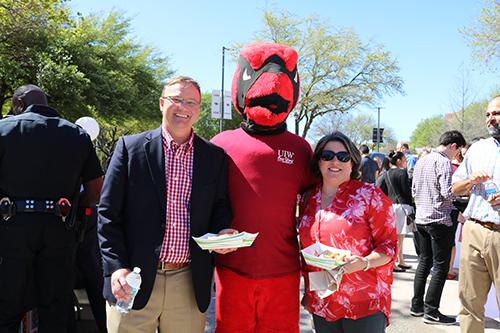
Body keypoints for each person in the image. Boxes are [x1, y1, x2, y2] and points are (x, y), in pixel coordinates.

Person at [98, 76, 235, 333]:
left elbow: (220, 206)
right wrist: (116, 267)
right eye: (176, 99)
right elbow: (107, 214)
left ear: (198, 110)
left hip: (188, 282)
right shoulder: (130, 148)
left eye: (191, 102)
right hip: (132, 279)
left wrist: (223, 231)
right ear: (162, 103)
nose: (183, 107)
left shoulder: (214, 157)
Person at [211, 42, 315, 333]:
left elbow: (317, 207)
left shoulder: (301, 149)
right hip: (232, 269)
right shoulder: (220, 145)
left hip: (283, 270)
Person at [0, 84, 103, 333]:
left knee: (5, 306)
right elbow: (95, 191)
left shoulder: (4, 129)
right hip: (59, 229)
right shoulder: (76, 134)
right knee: (56, 308)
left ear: (18, 105)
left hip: (10, 229)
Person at [298, 131, 397, 333]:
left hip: (364, 301)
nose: (335, 161)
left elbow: (389, 247)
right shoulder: (307, 198)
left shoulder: (370, 196)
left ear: (352, 163)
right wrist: (309, 292)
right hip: (323, 299)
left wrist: (364, 262)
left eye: (343, 157)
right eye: (327, 156)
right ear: (318, 161)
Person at [451, 95, 500, 333]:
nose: (491, 119)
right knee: (469, 303)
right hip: (474, 230)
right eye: (488, 114)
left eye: (497, 114)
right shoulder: (478, 149)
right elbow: (455, 188)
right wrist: (470, 180)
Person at [410, 130, 466, 325]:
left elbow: (414, 190)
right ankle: (432, 310)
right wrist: (461, 193)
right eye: (458, 151)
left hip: (422, 218)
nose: (456, 155)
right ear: (453, 146)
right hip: (439, 219)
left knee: (424, 262)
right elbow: (446, 192)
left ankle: (417, 306)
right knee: (441, 267)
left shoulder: (422, 160)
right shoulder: (443, 162)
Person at [376, 151, 414, 272]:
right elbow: (406, 191)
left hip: (391, 207)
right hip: (402, 207)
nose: (405, 163)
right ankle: (394, 262)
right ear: (398, 161)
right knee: (399, 238)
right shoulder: (402, 173)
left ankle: (400, 260)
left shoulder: (386, 173)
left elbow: (380, 189)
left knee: (396, 237)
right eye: (404, 160)